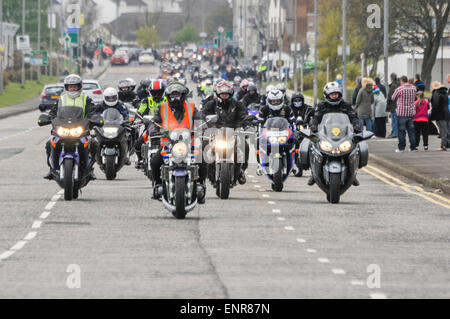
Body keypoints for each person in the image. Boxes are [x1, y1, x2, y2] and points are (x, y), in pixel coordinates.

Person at [149, 82, 206, 203]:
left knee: (203, 159)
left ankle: (201, 186)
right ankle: (157, 186)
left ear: (183, 95)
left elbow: (199, 118)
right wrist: (153, 130)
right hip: (168, 145)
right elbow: (155, 121)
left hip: (189, 144)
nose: (175, 98)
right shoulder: (162, 107)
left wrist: (202, 127)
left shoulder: (191, 107)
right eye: (172, 95)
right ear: (168, 97)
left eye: (177, 95)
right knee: (154, 161)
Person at [44, 74, 97, 180]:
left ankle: (89, 169)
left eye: (74, 86)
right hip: (63, 128)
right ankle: (52, 169)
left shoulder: (86, 99)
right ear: (66, 87)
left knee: (94, 144)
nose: (72, 89)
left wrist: (95, 118)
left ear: (79, 87)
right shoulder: (61, 99)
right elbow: (53, 112)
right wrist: (49, 118)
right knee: (49, 144)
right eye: (70, 86)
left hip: (80, 129)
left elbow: (92, 111)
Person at [309, 82, 361, 186]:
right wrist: (313, 126)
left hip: (343, 134)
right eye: (332, 94)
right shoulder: (321, 106)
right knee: (309, 145)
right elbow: (316, 118)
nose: (334, 96)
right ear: (327, 95)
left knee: (358, 147)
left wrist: (356, 126)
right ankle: (313, 173)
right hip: (326, 134)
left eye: (336, 94)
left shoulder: (346, 106)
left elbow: (354, 117)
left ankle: (353, 174)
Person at [201, 80, 251, 184]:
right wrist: (203, 126)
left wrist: (247, 125)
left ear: (231, 94)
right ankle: (204, 171)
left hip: (234, 131)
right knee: (203, 145)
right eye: (222, 94)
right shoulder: (211, 104)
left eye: (226, 94)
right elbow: (203, 115)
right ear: (218, 94)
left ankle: (241, 170)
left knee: (245, 146)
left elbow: (244, 116)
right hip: (215, 131)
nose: (224, 96)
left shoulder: (237, 104)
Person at [135, 79, 168, 168]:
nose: (156, 95)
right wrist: (138, 118)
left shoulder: (167, 100)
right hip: (150, 126)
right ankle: (140, 160)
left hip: (165, 127)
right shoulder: (146, 101)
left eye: (159, 92)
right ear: (150, 92)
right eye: (154, 92)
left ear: (163, 92)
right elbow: (140, 111)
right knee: (138, 143)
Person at [93, 87, 131, 165]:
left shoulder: (120, 105)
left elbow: (126, 114)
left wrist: (126, 121)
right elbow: (94, 114)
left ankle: (127, 155)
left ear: (116, 97)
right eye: (108, 98)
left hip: (117, 125)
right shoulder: (100, 105)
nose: (111, 100)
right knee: (92, 139)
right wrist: (95, 120)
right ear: (104, 98)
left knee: (129, 135)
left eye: (113, 98)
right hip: (103, 126)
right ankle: (92, 156)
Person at [391, 76, 418, 152]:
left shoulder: (399, 89)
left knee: (402, 131)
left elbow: (393, 98)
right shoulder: (414, 88)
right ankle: (413, 147)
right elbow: (415, 98)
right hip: (411, 112)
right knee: (411, 131)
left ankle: (401, 148)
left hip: (402, 112)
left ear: (401, 81)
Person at [430, 81, 450, 151]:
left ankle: (443, 146)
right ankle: (446, 144)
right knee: (446, 130)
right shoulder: (445, 93)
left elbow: (435, 105)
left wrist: (432, 115)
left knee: (442, 130)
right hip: (446, 113)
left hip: (440, 114)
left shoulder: (437, 93)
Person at [386, 73, 400, 138]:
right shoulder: (398, 85)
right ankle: (395, 132)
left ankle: (395, 133)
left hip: (393, 105)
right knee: (396, 120)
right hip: (398, 105)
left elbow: (390, 96)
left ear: (391, 78)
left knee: (394, 120)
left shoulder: (393, 86)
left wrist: (388, 103)